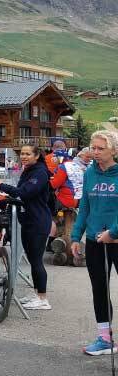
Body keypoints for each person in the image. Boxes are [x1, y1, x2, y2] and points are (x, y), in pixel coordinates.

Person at [70, 131, 118, 356]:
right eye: (93, 148)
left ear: (113, 150)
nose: (95, 152)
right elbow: (85, 208)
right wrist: (75, 236)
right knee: (99, 288)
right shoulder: (89, 174)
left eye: (100, 148)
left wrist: (114, 232)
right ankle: (104, 338)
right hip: (94, 240)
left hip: (116, 238)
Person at [0, 145, 53, 310]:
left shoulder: (40, 172)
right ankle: (36, 293)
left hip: (38, 222)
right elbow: (20, 195)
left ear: (37, 156)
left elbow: (25, 193)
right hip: (28, 220)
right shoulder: (29, 170)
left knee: (36, 261)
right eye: (22, 154)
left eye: (28, 154)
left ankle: (43, 298)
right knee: (34, 261)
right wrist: (5, 199)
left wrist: (1, 186)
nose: (24, 156)